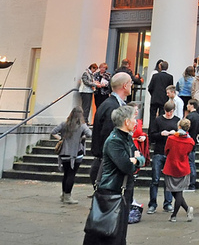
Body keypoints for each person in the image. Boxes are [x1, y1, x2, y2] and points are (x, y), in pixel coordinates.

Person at [84, 104, 144, 245]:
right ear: (126, 122)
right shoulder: (115, 140)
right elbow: (127, 166)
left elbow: (140, 157)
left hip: (122, 190)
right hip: (112, 190)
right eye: (134, 118)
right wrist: (135, 160)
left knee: (118, 229)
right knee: (108, 231)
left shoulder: (126, 138)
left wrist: (136, 159)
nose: (136, 122)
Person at [90, 72, 132, 189]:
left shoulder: (110, 105)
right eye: (130, 83)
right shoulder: (112, 107)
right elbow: (109, 136)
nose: (131, 85)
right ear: (125, 85)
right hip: (108, 166)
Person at [52, 106, 92, 204]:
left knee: (66, 174)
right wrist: (82, 137)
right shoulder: (82, 126)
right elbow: (90, 134)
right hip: (76, 153)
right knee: (71, 174)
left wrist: (61, 139)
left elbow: (53, 132)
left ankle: (63, 193)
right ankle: (68, 196)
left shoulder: (64, 124)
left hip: (64, 152)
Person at [147, 100, 178, 214]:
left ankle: (168, 203)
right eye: (167, 112)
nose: (169, 114)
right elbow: (152, 135)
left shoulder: (177, 120)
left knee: (168, 180)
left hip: (170, 153)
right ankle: (152, 203)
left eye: (170, 112)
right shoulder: (158, 120)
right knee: (155, 179)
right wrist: (161, 134)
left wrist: (176, 134)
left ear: (173, 111)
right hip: (159, 152)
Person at [162, 118, 195, 222]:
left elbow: (166, 151)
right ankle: (186, 209)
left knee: (174, 191)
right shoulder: (190, 142)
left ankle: (174, 215)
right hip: (183, 168)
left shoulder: (171, 139)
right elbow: (188, 153)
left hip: (171, 166)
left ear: (179, 126)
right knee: (179, 192)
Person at [184, 99, 199, 192]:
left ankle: (190, 184)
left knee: (189, 163)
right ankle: (192, 183)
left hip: (187, 142)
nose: (187, 106)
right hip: (194, 142)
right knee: (192, 163)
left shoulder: (189, 117)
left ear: (191, 105)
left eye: (188, 104)